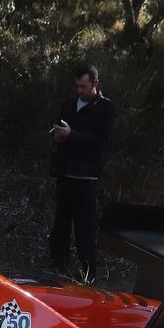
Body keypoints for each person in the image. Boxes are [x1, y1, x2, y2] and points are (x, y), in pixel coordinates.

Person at [48, 64, 117, 283]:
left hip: (87, 176)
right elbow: (58, 129)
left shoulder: (107, 109)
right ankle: (59, 265)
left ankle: (88, 272)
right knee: (61, 223)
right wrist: (58, 136)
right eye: (77, 86)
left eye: (84, 86)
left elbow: (100, 142)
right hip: (65, 173)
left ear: (95, 83)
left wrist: (72, 135)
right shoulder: (69, 105)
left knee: (84, 226)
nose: (79, 91)